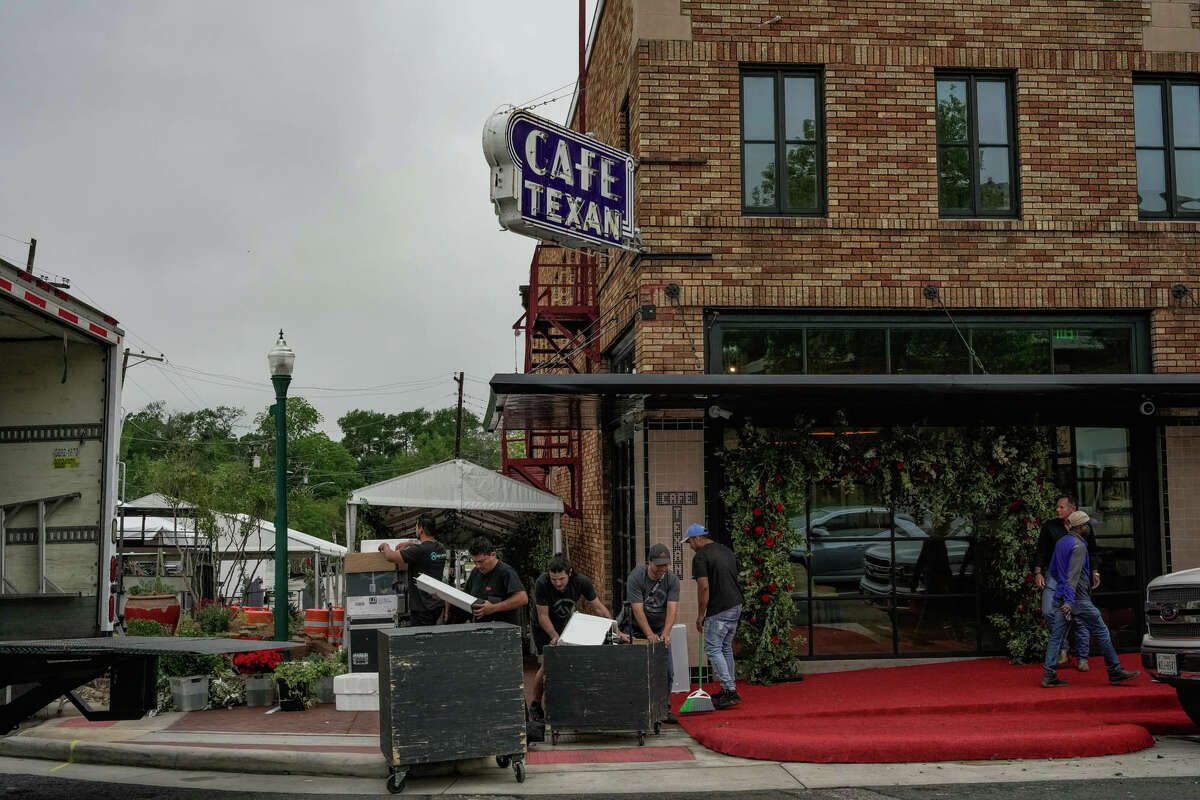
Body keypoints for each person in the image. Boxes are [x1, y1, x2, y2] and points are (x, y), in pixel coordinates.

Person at [1041, 510, 1139, 688]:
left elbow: (1054, 570)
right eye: (1087, 525)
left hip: (1061, 595)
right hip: (1078, 599)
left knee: (1056, 636)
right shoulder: (1079, 546)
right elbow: (1073, 577)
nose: (1089, 528)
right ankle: (1115, 671)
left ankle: (1049, 675)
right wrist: (1070, 602)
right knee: (1102, 631)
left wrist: (1063, 596)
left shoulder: (1062, 542)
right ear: (1081, 527)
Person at [529, 553, 611, 720]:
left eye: (561, 579)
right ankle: (536, 705)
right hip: (543, 627)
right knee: (547, 663)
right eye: (554, 579)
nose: (557, 583)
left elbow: (598, 608)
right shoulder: (542, 584)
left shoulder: (581, 582)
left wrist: (612, 627)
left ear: (570, 573)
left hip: (564, 622)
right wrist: (555, 637)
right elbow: (542, 616)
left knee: (569, 660)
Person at [1034, 495, 1101, 670]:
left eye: (1061, 507)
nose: (1058, 510)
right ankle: (1063, 649)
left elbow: (1093, 551)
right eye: (1057, 507)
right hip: (1055, 576)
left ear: (1073, 509)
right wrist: (1038, 572)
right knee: (1049, 611)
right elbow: (1041, 551)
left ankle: (1082, 658)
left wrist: (1094, 571)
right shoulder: (1050, 527)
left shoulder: (1084, 527)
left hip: (1078, 577)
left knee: (1081, 618)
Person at [686, 523, 742, 710]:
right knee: (725, 647)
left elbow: (704, 587)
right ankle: (727, 689)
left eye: (690, 542)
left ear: (697, 539)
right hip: (735, 604)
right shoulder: (725, 550)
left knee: (713, 649)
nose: (690, 546)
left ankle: (731, 691)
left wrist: (701, 615)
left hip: (719, 609)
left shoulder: (700, 557)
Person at [627, 542, 681, 722]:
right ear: (649, 562)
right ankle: (635, 708)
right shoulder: (636, 577)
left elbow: (672, 609)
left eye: (665, 565)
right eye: (658, 565)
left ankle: (664, 709)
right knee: (637, 671)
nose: (662, 569)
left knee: (667, 671)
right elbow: (637, 610)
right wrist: (649, 634)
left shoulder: (671, 579)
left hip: (659, 629)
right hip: (636, 629)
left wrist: (666, 633)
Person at [377, 512, 447, 627]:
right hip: (436, 605)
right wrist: (410, 543)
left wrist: (385, 546)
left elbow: (390, 556)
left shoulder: (419, 551)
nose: (415, 529)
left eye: (416, 526)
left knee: (421, 641)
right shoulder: (441, 548)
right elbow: (425, 549)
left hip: (422, 608)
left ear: (421, 529)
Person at [461, 537, 528, 626]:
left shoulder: (506, 572)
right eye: (475, 562)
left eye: (481, 561)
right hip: (480, 630)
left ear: (493, 555)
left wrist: (493, 608)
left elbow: (522, 598)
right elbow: (466, 595)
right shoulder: (475, 572)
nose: (478, 566)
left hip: (504, 632)